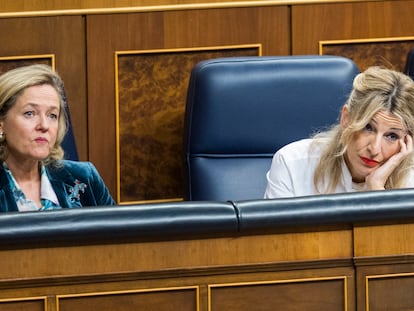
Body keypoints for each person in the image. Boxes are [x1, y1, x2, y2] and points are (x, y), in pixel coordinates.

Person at [264, 66, 414, 198]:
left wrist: (376, 190)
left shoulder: (410, 180)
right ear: (346, 118)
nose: (374, 149)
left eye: (391, 136)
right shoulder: (292, 163)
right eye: (367, 127)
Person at [0, 64, 115, 212]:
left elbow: (121, 234)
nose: (44, 125)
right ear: (1, 124)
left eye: (52, 115)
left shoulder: (84, 177)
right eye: (30, 113)